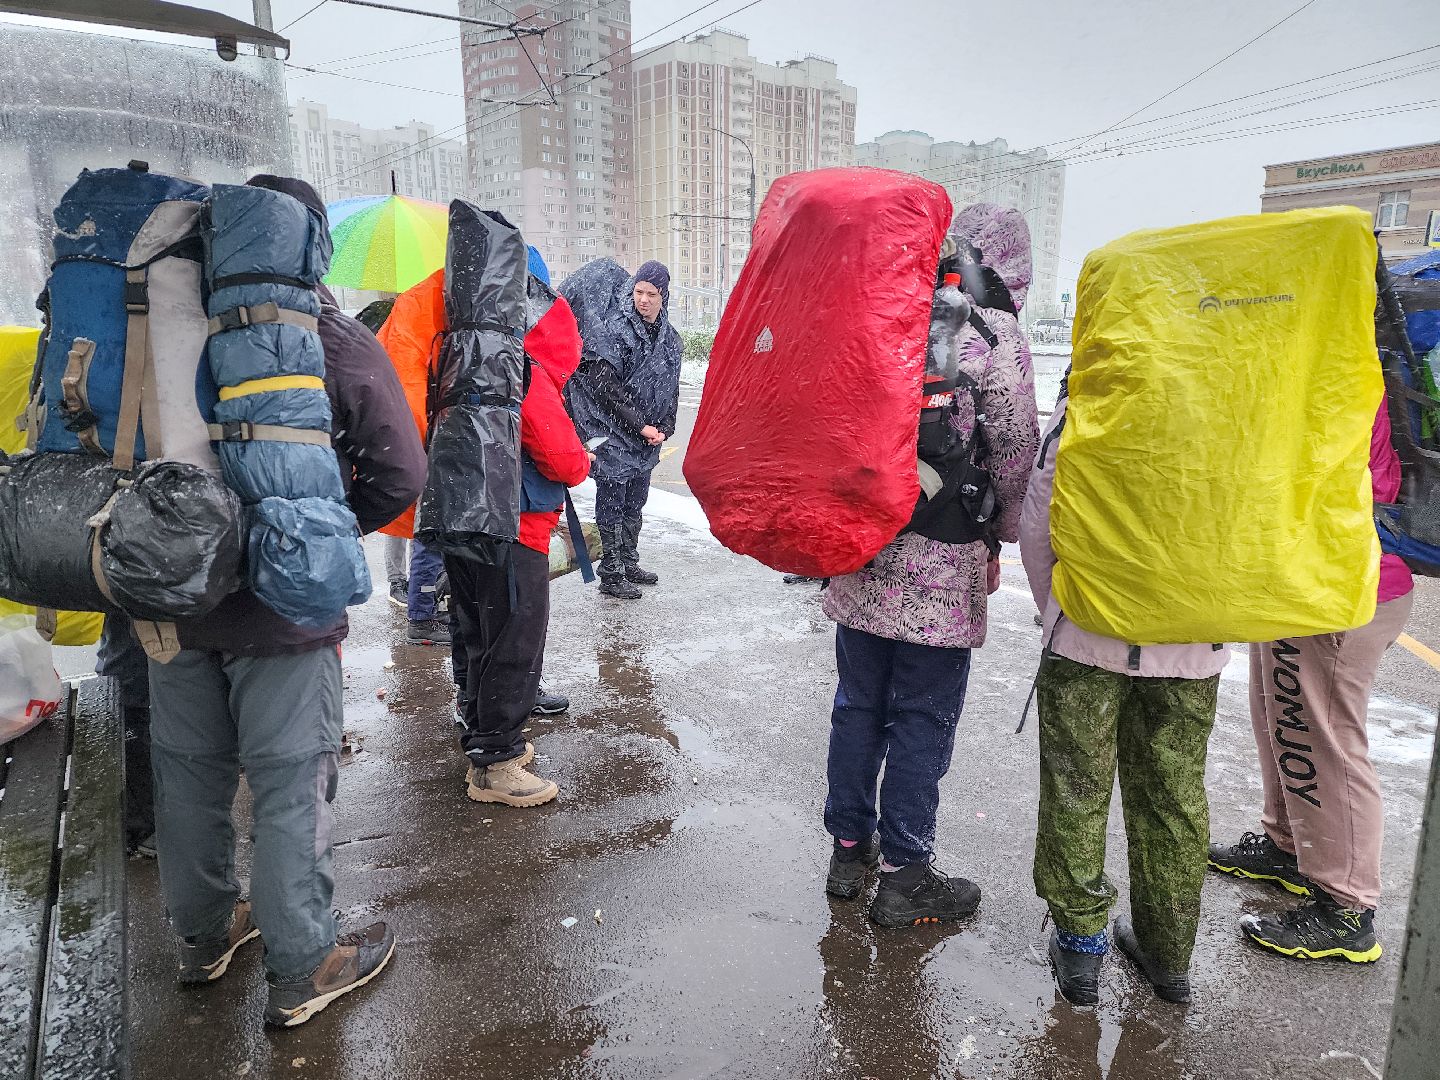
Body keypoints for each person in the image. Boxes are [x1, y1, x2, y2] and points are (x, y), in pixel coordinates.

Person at [147, 175, 426, 1028]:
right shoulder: (326, 336)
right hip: (285, 610)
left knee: (189, 780)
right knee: (289, 786)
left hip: (171, 598)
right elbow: (403, 471)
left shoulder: (161, 327)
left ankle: (202, 940)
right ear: (306, 246)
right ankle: (304, 963)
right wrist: (328, 525)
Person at [821, 204, 1039, 928]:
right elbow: (1014, 453)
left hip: (863, 550)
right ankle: (907, 873)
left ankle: (849, 851)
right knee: (921, 716)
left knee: (858, 705)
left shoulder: (889, 312)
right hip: (944, 567)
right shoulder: (992, 334)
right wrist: (1000, 538)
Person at [1019, 377, 1227, 1007]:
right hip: (1193, 643)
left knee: (1077, 790)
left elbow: (1039, 516)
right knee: (1173, 794)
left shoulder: (1093, 401)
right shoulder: (1228, 405)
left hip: (1086, 639)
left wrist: (1055, 608)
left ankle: (1081, 954)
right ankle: (1168, 959)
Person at [1209, 401, 1415, 963]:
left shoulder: (1347, 369)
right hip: (1300, 580)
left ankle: (1347, 907)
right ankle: (1290, 848)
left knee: (1323, 739)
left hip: (1341, 585)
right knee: (1279, 717)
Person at [448, 293, 591, 807]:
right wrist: (583, 462)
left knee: (479, 637)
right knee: (514, 646)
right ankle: (496, 764)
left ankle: (482, 737)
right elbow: (564, 459)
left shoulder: (475, 362)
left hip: (468, 523)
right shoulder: (527, 375)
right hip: (517, 533)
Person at [565, 260, 682, 600]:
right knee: (612, 501)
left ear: (664, 297)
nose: (643, 300)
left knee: (635, 501)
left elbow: (670, 385)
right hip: (613, 432)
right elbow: (605, 387)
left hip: (646, 437)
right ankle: (611, 572)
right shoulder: (613, 331)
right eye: (638, 292)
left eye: (651, 294)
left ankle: (629, 560)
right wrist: (640, 425)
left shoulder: (669, 338)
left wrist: (666, 426)